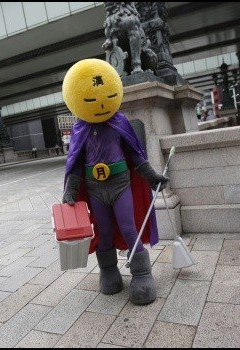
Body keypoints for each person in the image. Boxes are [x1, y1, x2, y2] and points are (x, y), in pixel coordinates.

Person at [62, 59, 167, 306]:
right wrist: (71, 190)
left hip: (121, 184)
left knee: (130, 228)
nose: (98, 103)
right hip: (95, 189)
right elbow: (76, 164)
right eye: (89, 99)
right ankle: (108, 271)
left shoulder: (119, 122)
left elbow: (135, 155)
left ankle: (141, 273)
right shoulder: (80, 129)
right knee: (104, 232)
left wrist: (152, 177)